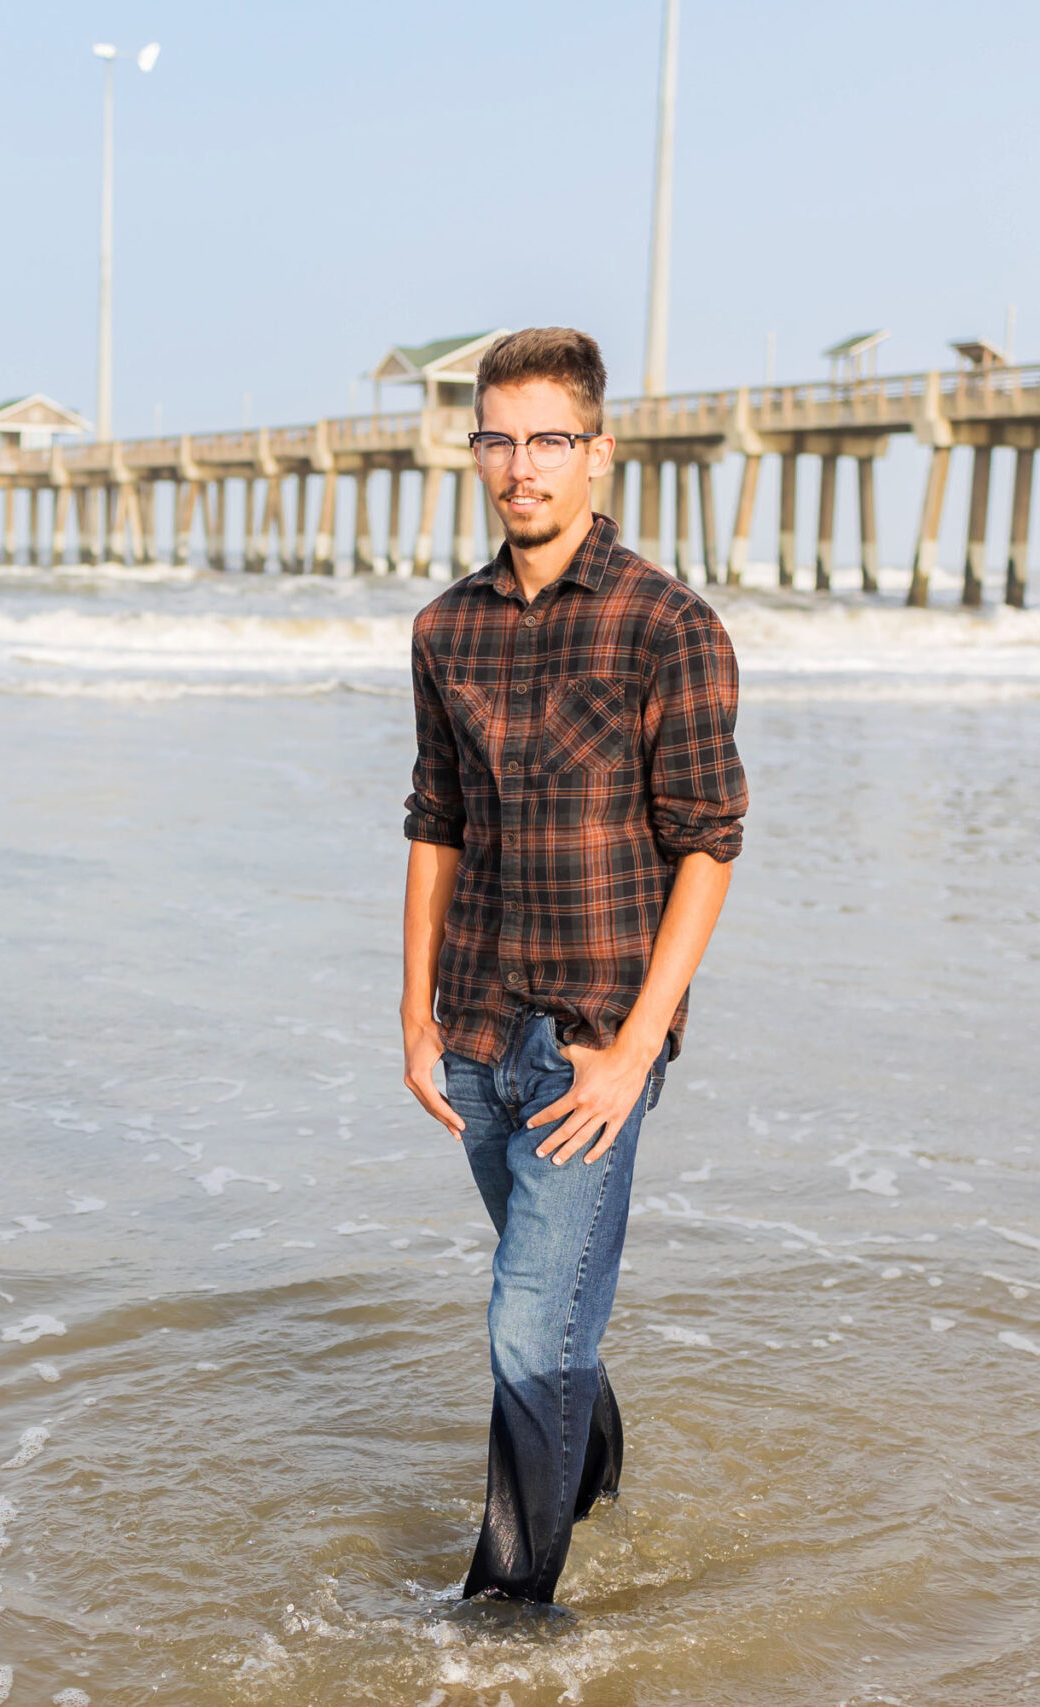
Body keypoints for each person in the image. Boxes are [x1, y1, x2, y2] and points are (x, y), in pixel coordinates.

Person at [399, 326, 746, 1605]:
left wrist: (637, 1050)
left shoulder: (667, 626)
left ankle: (506, 1613)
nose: (520, 464)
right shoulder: (445, 632)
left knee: (526, 1327)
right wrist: (411, 1015)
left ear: (598, 453)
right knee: (549, 1321)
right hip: (478, 1029)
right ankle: (592, 1461)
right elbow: (434, 824)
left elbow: (708, 843)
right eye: (498, 437)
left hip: (594, 1038)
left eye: (549, 438)